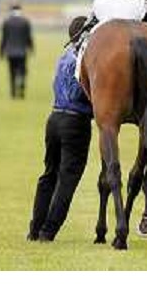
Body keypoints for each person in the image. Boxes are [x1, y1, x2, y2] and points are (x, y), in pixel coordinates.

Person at [27, 17, 93, 242]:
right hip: (76, 121)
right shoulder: (85, 59)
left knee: (49, 175)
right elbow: (78, 92)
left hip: (54, 118)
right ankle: (48, 230)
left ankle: (34, 229)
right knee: (67, 179)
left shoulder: (64, 56)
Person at [0, 1, 34, 99]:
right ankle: (22, 86)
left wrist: (1, 51)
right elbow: (29, 37)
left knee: (11, 72)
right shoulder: (25, 21)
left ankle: (13, 92)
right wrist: (31, 48)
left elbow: (4, 38)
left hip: (10, 52)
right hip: (22, 51)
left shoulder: (7, 22)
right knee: (22, 71)